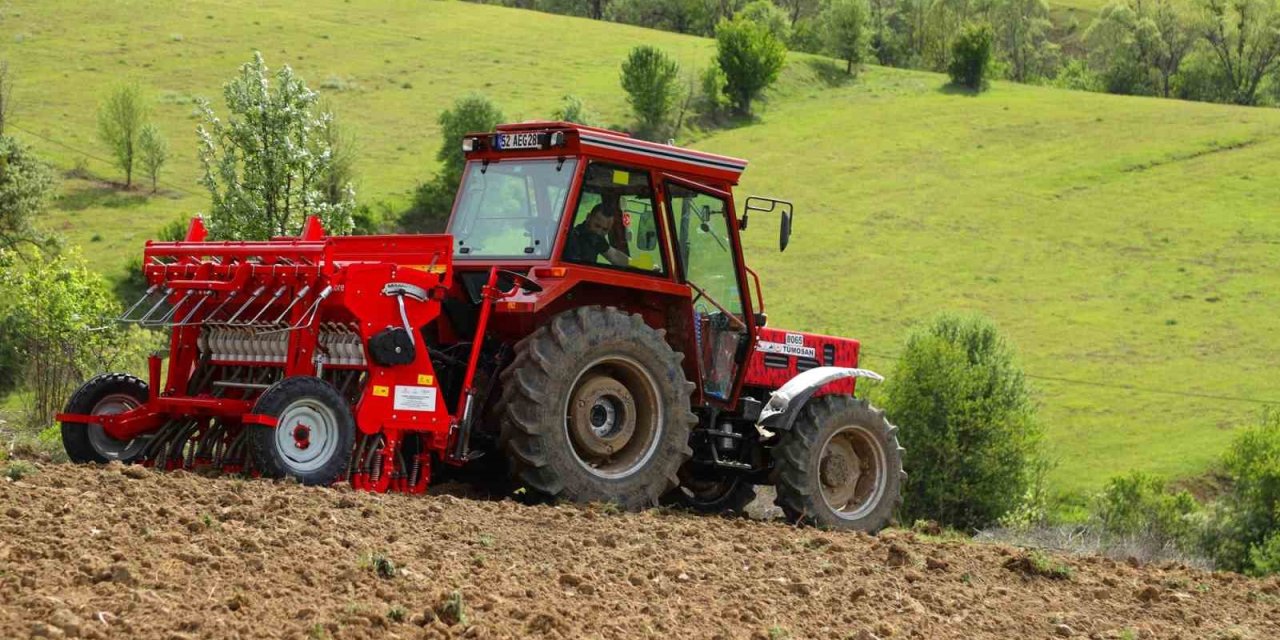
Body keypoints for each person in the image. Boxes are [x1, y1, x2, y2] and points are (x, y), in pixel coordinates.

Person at [562, 204, 629, 267]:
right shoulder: (572, 238)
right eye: (597, 226)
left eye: (605, 229)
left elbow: (615, 257)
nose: (599, 232)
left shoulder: (597, 240)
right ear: (588, 217)